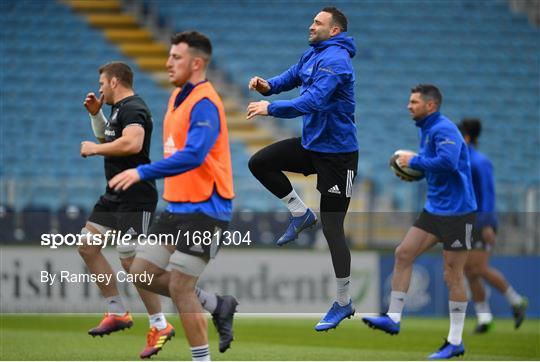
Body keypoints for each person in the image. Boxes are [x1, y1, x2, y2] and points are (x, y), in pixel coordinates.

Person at [80, 61, 236, 359]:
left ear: (114, 81)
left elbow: (132, 144)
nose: (99, 88)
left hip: (136, 195)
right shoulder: (116, 110)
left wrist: (96, 149)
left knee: (134, 266)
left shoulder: (134, 108)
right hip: (114, 194)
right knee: (88, 247)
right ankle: (118, 310)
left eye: (102, 82)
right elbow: (109, 140)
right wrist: (95, 115)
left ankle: (163, 322)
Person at [246, 6, 358, 332]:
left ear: (334, 30)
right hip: (312, 148)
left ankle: (343, 301)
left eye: (318, 23)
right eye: (312, 20)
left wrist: (270, 107)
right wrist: (269, 86)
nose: (311, 26)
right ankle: (300, 213)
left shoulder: (336, 62)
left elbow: (311, 102)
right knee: (260, 163)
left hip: (338, 158)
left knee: (333, 229)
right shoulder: (314, 54)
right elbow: (293, 75)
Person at [362, 84, 477, 360]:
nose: (408, 105)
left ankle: (455, 341)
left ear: (431, 105)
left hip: (459, 213)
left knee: (452, 275)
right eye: (409, 101)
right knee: (403, 253)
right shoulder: (427, 129)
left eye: (414, 101)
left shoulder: (444, 129)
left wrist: (416, 161)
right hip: (434, 209)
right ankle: (393, 317)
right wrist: (418, 169)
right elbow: (439, 168)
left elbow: (448, 163)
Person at [458, 118, 527, 333]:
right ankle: (484, 317)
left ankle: (516, 300)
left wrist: (487, 223)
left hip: (482, 222)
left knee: (477, 268)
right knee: (469, 271)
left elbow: (488, 194)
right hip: (466, 221)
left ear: (467, 137)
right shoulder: (461, 161)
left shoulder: (480, 162)